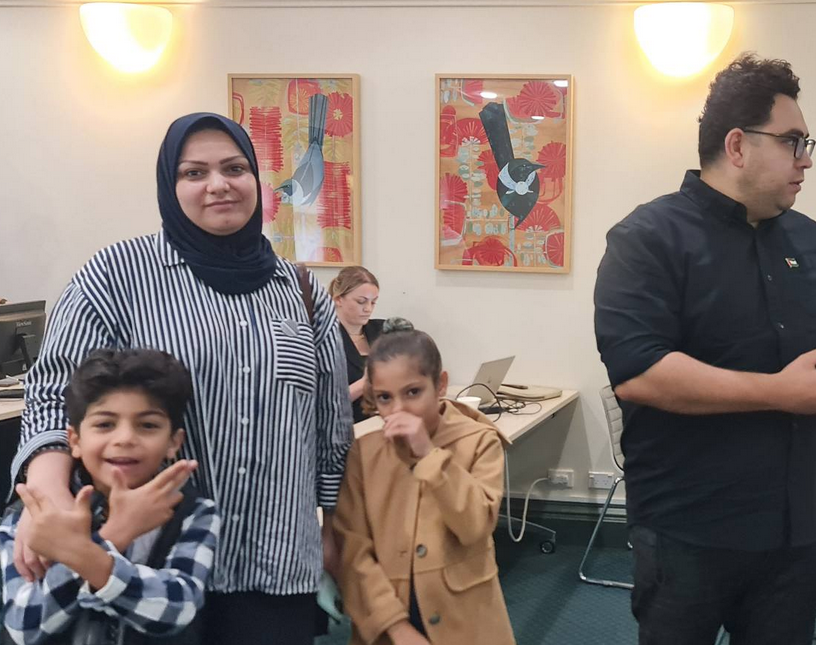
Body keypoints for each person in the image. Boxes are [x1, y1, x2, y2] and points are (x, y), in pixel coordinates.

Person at [594, 53, 816, 645]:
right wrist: (778, 394)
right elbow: (640, 372)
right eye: (793, 142)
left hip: (795, 526)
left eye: (807, 143)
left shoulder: (811, 239)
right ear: (737, 146)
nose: (806, 159)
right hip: (689, 529)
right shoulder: (646, 239)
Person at [9, 112, 353, 645]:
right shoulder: (117, 276)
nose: (218, 185)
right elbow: (54, 396)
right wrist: (48, 498)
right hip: (147, 561)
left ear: (256, 179)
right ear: (170, 187)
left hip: (276, 560)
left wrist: (336, 530)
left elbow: (331, 428)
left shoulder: (301, 291)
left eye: (235, 168)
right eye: (194, 173)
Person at [1, 348, 220, 645]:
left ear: (173, 441)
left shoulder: (193, 512)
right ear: (75, 440)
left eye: (148, 425)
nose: (125, 438)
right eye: (105, 424)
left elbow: (175, 609)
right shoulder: (33, 513)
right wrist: (117, 534)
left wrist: (85, 554)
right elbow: (24, 625)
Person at [333, 318, 516, 645]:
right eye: (384, 398)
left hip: (466, 622)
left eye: (413, 392)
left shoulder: (479, 441)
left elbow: (475, 526)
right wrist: (396, 627)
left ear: (441, 385)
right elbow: (353, 552)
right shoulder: (364, 454)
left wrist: (429, 455)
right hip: (390, 622)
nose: (398, 409)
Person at [330, 266, 384, 423]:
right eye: (361, 301)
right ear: (338, 299)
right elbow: (322, 404)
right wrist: (364, 383)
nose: (368, 309)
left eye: (373, 302)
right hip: (344, 426)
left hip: (381, 424)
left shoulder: (382, 331)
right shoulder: (323, 339)